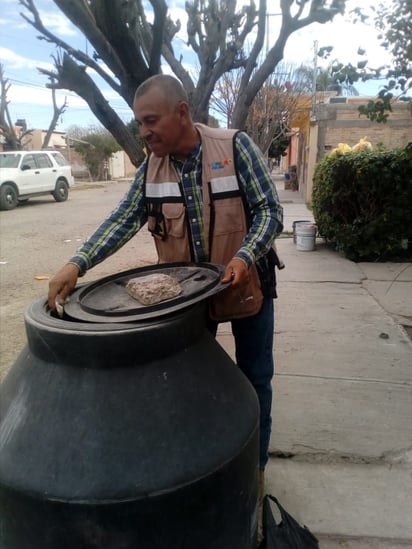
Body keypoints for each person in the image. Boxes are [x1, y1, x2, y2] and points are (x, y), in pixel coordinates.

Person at [48, 74, 283, 478]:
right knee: (190, 383)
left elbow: (270, 212)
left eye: (151, 120)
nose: (144, 131)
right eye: (140, 122)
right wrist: (78, 262)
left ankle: (253, 468)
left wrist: (244, 258)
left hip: (247, 284)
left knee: (255, 377)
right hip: (187, 298)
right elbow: (122, 219)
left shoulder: (234, 146)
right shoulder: (150, 169)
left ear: (182, 113)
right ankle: (207, 461)